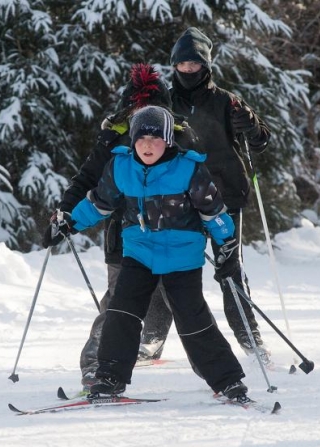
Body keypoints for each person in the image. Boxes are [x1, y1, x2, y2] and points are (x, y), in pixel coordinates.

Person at [46, 105, 249, 401]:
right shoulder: (121, 167)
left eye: (155, 139)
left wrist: (228, 246)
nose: (148, 145)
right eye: (141, 139)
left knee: (193, 321)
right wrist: (69, 223)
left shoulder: (188, 168)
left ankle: (228, 381)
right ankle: (108, 379)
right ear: (132, 141)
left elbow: (213, 213)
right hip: (139, 253)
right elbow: (99, 203)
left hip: (183, 258)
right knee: (120, 314)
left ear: (167, 141)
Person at [42, 64, 197, 390]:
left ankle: (152, 342)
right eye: (139, 112)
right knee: (118, 300)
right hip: (125, 235)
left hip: (173, 233)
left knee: (173, 295)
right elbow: (87, 178)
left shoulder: (179, 135)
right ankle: (97, 367)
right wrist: (65, 214)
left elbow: (200, 176)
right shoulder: (114, 136)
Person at [139, 26, 273, 363]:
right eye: (181, 65)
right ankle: (152, 338)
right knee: (165, 269)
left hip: (225, 196)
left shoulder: (226, 101)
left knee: (230, 268)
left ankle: (251, 340)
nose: (187, 70)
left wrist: (251, 124)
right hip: (177, 197)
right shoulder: (164, 103)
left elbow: (261, 141)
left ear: (206, 66)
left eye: (193, 65)